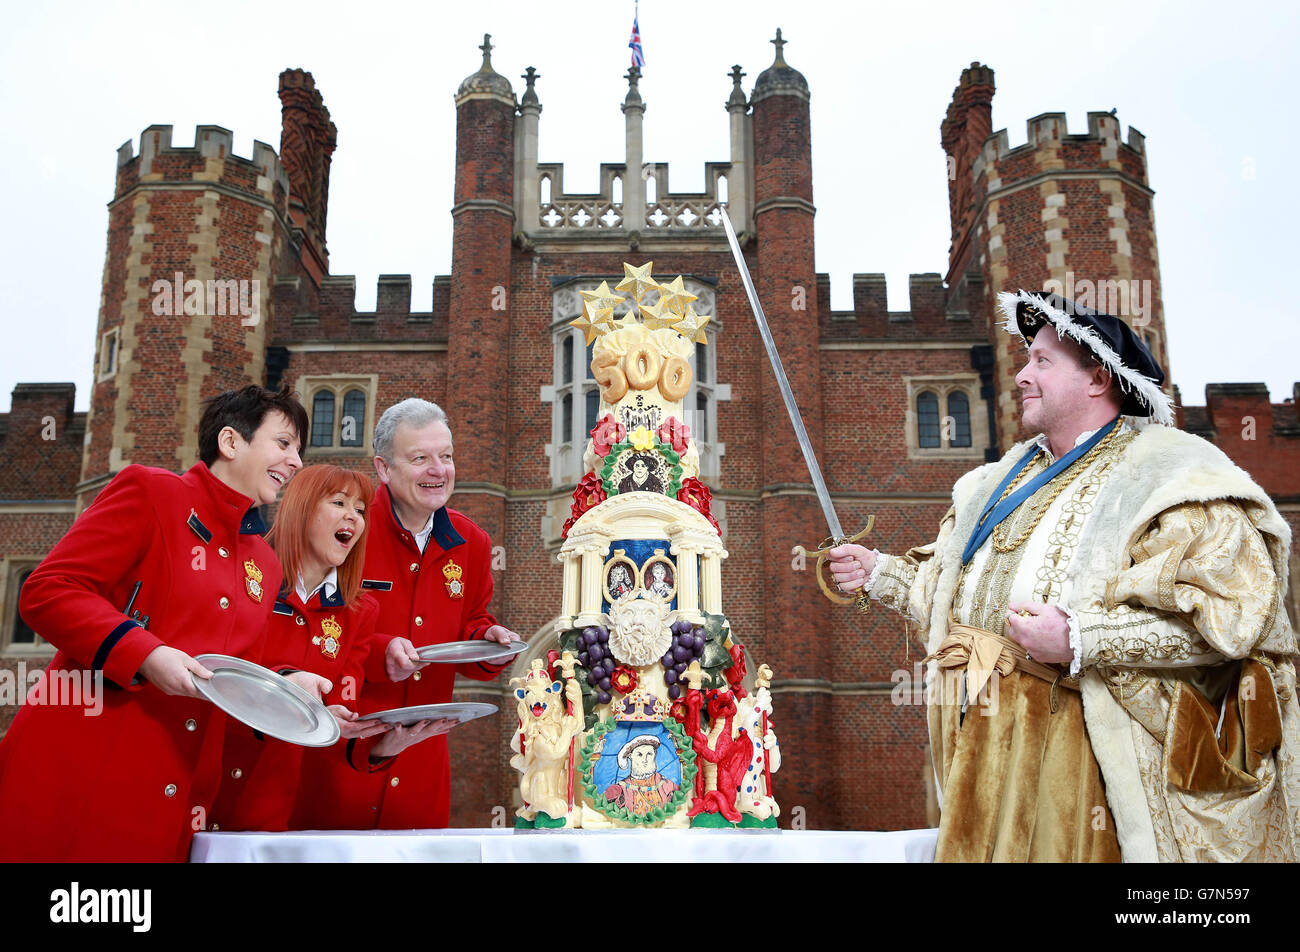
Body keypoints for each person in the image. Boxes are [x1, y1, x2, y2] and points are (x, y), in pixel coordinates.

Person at [829, 290, 1300, 862]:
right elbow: (955, 597)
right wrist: (878, 573)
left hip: (1081, 746)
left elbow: (1235, 623)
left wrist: (1082, 638)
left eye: (1042, 361)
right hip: (978, 738)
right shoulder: (996, 481)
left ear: (1098, 378)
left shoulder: (1171, 475)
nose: (1022, 376)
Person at [0, 385, 308, 861]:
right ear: (230, 442)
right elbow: (48, 590)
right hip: (81, 775)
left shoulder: (265, 563)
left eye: (299, 450)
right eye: (284, 443)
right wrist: (144, 653)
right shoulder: (151, 492)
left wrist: (289, 691)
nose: (296, 462)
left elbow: (238, 675)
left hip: (177, 795)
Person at [313, 398, 521, 829]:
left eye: (446, 456)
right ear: (384, 469)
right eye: (420, 458)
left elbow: (471, 624)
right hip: (338, 758)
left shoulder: (472, 542)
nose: (438, 470)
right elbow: (306, 628)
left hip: (421, 771)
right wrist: (379, 653)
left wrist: (489, 644)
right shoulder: (346, 528)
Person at [208, 464, 441, 832]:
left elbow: (339, 716)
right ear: (301, 508)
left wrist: (382, 746)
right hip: (210, 790)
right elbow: (212, 675)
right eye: (339, 503)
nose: (353, 516)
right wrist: (285, 686)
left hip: (277, 809)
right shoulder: (243, 575)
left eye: (360, 510)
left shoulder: (360, 612)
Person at [604, 734, 677, 815]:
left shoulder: (667, 785)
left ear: (655, 755)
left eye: (649, 754)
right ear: (630, 756)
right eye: (639, 755)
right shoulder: (619, 790)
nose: (644, 760)